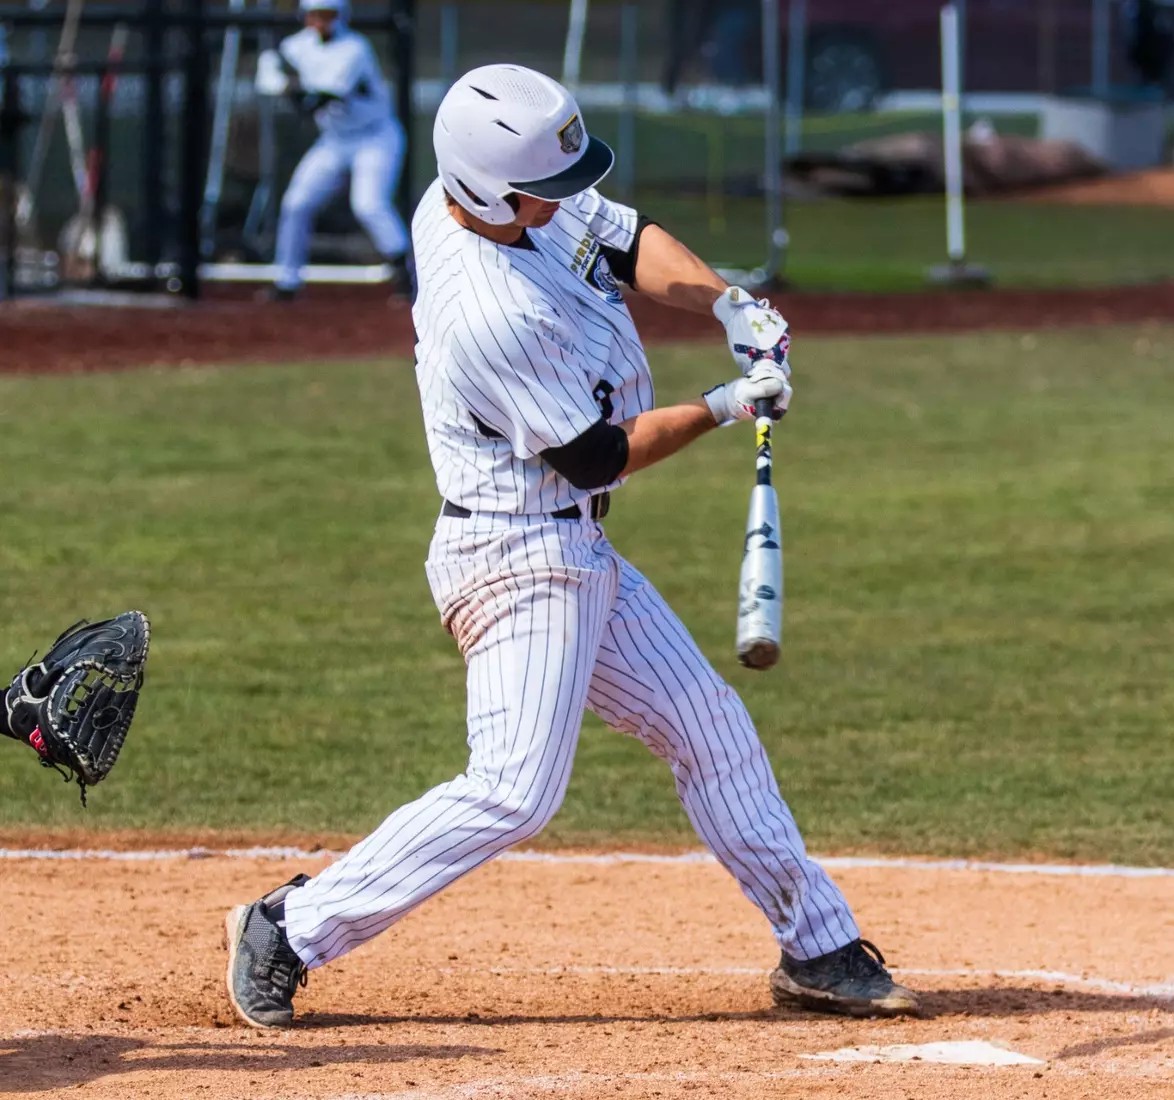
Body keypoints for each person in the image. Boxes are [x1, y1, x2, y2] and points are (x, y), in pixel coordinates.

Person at [224, 63, 920, 1030]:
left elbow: (625, 238)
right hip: (515, 558)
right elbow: (595, 457)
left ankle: (818, 949)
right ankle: (289, 926)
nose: (561, 203)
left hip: (573, 547)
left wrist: (727, 304)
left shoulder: (515, 199)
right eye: (541, 191)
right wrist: (727, 405)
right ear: (482, 190)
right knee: (514, 791)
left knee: (709, 728)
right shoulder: (487, 312)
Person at [254, 0, 412, 300]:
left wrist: (287, 84)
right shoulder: (297, 45)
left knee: (369, 205)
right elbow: (266, 73)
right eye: (315, 15)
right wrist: (282, 77)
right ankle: (287, 280)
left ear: (341, 16)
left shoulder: (355, 48)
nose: (320, 22)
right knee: (296, 203)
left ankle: (406, 272)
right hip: (334, 139)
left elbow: (321, 96)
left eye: (327, 15)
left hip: (375, 136)